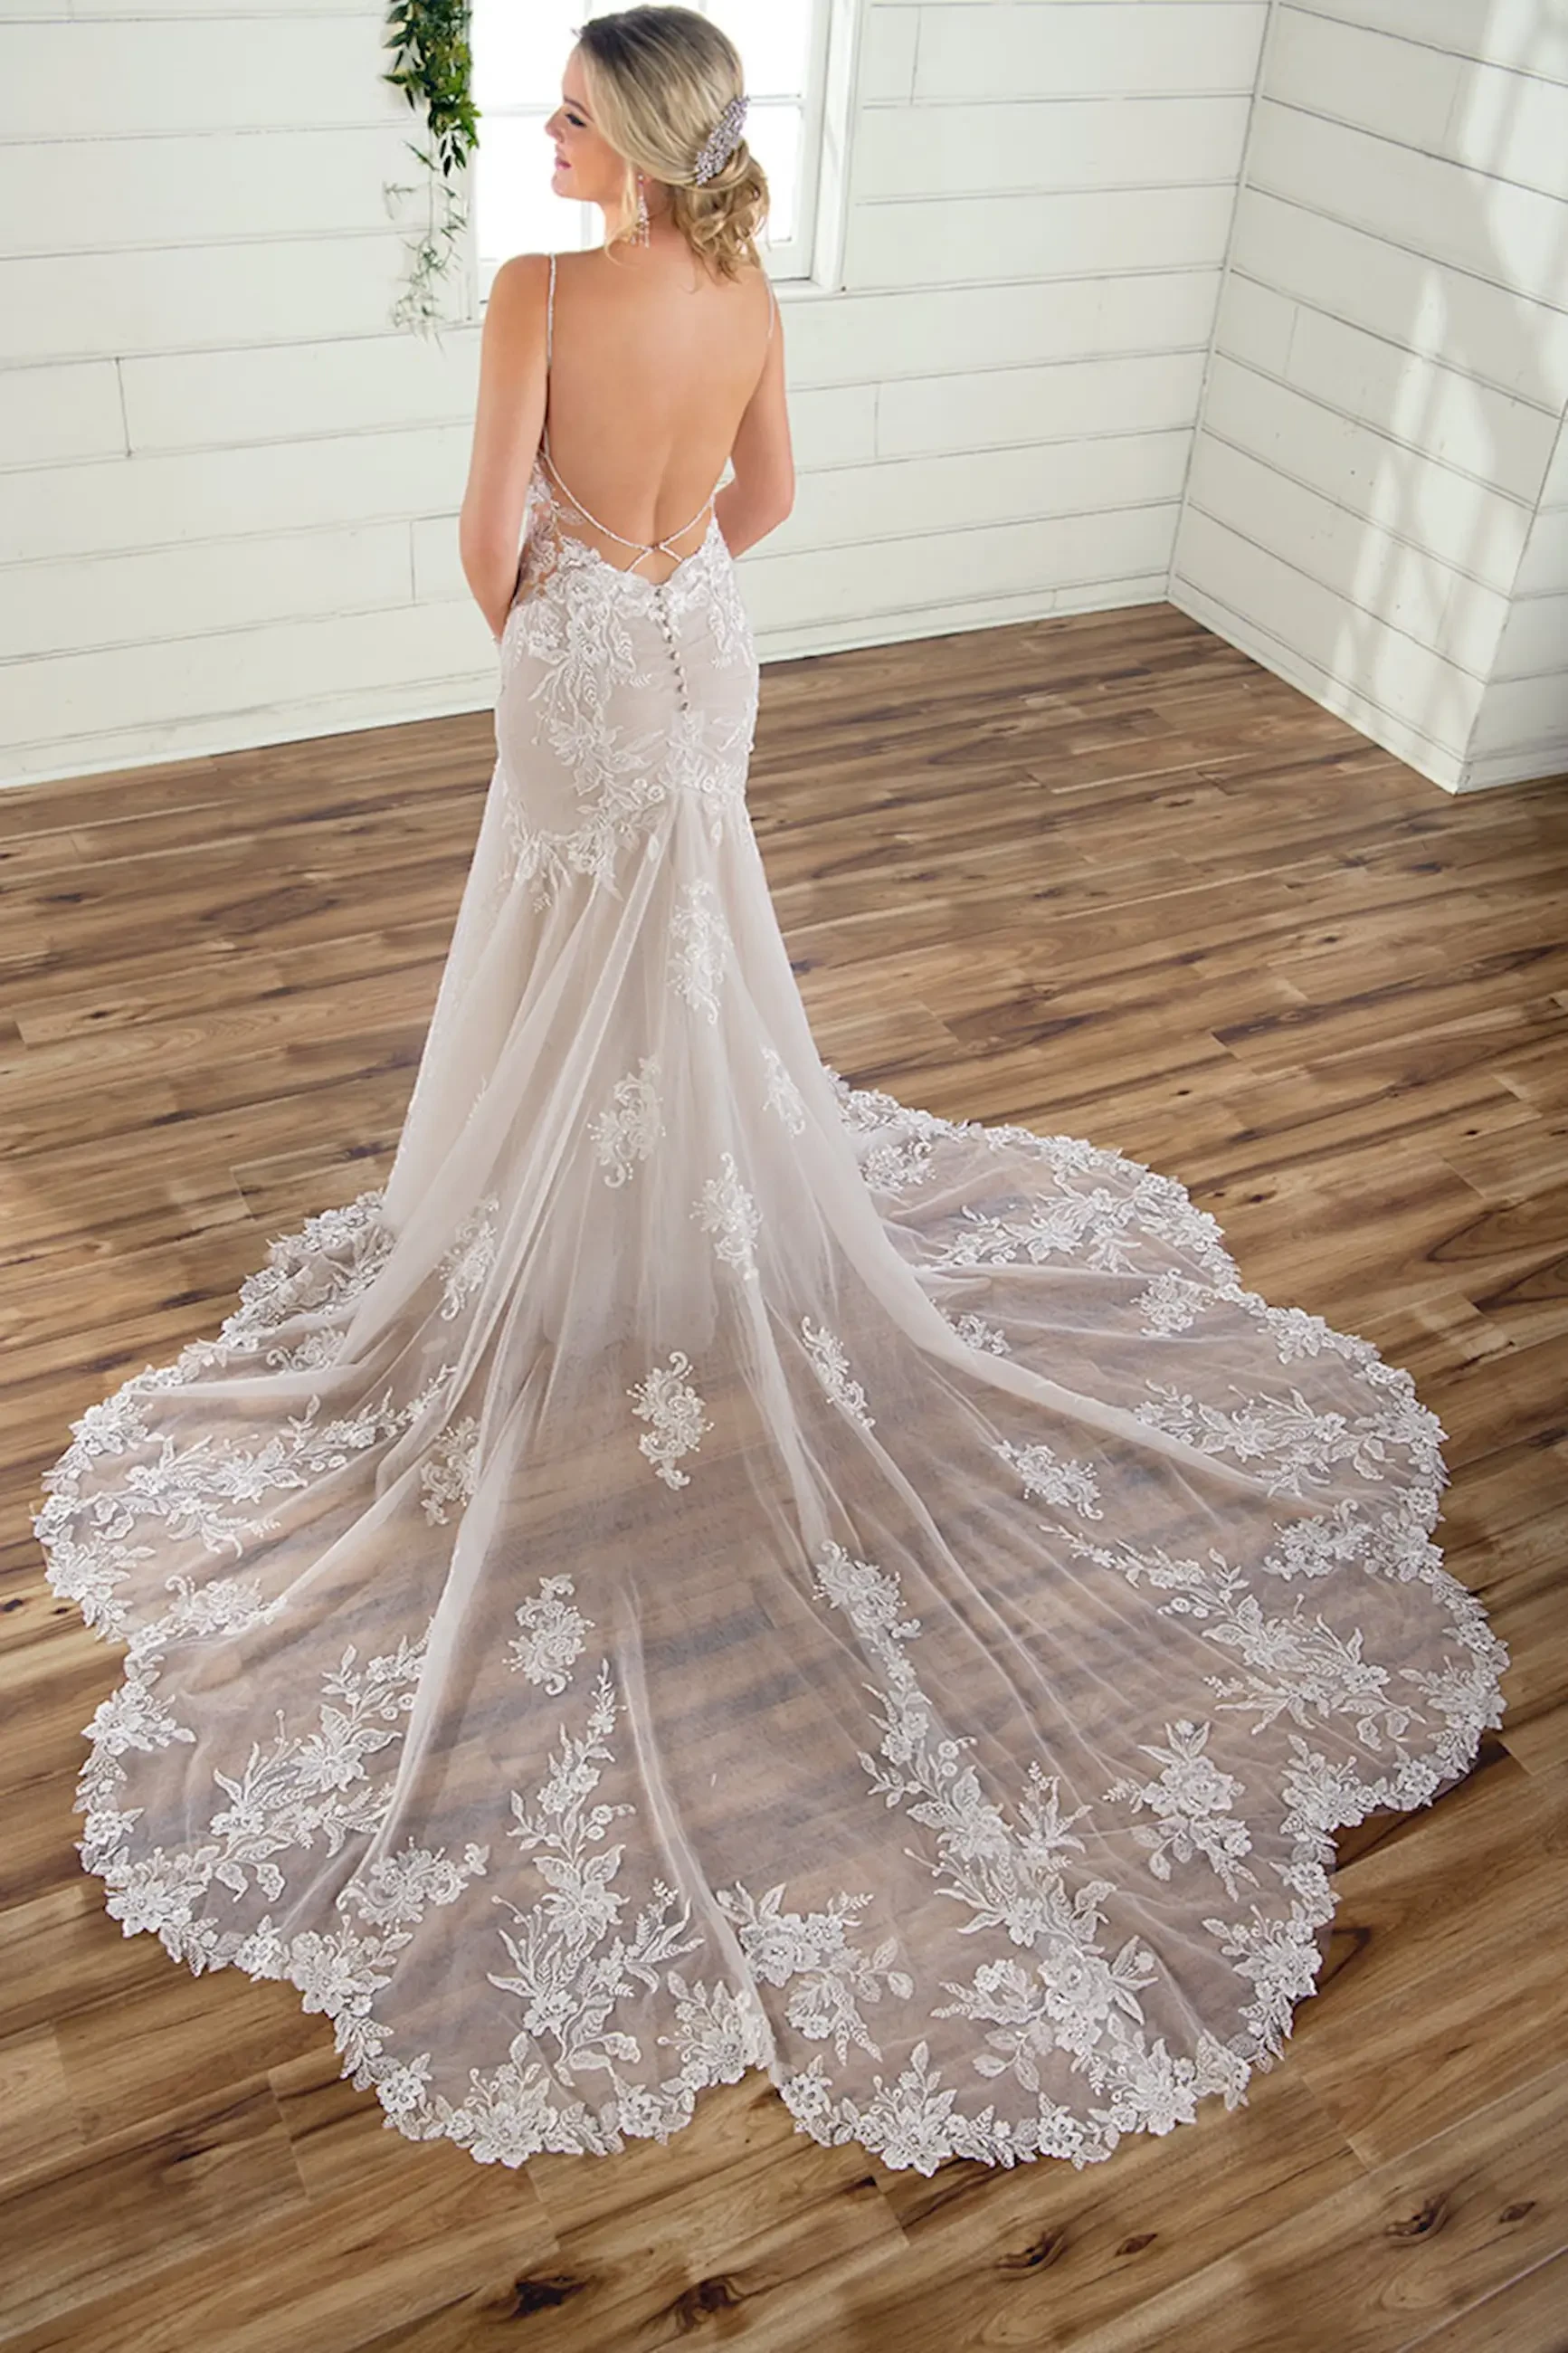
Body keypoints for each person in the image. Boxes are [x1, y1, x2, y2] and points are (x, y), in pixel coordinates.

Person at [35, 5, 1507, 2182]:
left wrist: (561, 613)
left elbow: (474, 537)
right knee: (692, 948)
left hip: (578, 657)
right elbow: (774, 499)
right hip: (702, 643)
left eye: (558, 113)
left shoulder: (543, 289)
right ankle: (668, 1220)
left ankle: (555, 1230)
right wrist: (663, 582)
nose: (534, 137)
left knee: (554, 949)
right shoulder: (735, 283)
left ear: (629, 136)